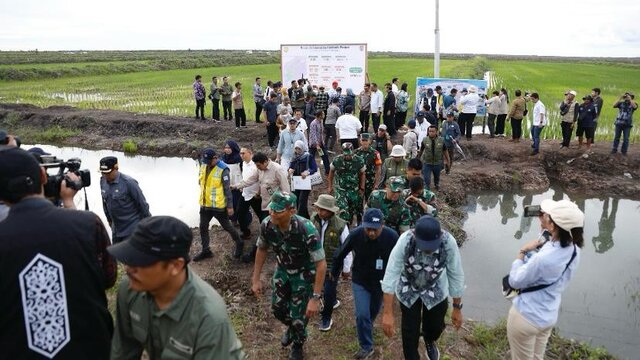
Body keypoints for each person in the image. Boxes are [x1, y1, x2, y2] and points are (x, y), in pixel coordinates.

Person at [0, 147, 117, 359]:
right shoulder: (88, 224)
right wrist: (70, 203)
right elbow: (108, 278)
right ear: (43, 175)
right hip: (91, 349)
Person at [109, 216, 245, 359]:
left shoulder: (208, 318)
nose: (128, 268)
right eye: (130, 258)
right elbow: (123, 351)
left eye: (141, 261)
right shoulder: (131, 288)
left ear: (175, 266)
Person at [251, 191, 327, 360]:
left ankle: (298, 344)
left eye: (277, 211)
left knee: (298, 315)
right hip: (283, 271)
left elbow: (321, 263)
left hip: (304, 275)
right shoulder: (267, 225)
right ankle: (293, 328)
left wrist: (315, 297)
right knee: (277, 309)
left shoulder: (306, 229)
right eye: (271, 209)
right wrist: (255, 279)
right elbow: (262, 249)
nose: (272, 213)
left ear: (292, 211)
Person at [506, 199, 584, 360]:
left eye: (548, 217)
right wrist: (545, 226)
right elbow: (550, 244)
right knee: (537, 357)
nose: (544, 217)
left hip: (526, 317)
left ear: (553, 225)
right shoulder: (575, 251)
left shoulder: (541, 259)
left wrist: (522, 252)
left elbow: (515, 281)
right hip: (548, 316)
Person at [381, 215, 465, 360]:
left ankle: (429, 339)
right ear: (415, 237)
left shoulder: (448, 243)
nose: (429, 250)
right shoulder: (405, 241)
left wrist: (457, 308)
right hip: (409, 288)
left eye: (432, 246)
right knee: (409, 332)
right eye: (425, 247)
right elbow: (390, 274)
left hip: (436, 288)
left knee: (435, 326)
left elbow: (455, 273)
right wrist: (388, 312)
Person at [332, 208, 399, 359]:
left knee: (372, 312)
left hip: (381, 283)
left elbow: (400, 260)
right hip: (360, 280)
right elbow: (341, 253)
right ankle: (367, 346)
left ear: (382, 225)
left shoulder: (392, 237)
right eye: (368, 229)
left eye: (375, 229)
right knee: (362, 314)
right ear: (363, 225)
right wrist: (334, 272)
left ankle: (366, 326)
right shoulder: (355, 234)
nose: (372, 233)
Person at [233, 151, 290, 263]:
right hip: (264, 204)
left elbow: (286, 190)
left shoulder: (277, 169)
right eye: (256, 166)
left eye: (259, 165)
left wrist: (283, 207)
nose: (257, 168)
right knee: (271, 229)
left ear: (265, 162)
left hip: (275, 206)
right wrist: (235, 186)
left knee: (265, 229)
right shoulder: (259, 169)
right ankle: (280, 246)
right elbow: (250, 180)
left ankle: (254, 254)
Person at [310, 195, 351, 332]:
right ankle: (333, 301)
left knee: (328, 290)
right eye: (319, 208)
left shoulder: (341, 225)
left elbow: (347, 248)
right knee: (317, 286)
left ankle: (326, 317)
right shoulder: (313, 220)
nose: (320, 212)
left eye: (324, 210)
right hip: (315, 261)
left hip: (332, 265)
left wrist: (346, 268)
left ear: (331, 211)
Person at [196, 148, 243, 261]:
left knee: (227, 226)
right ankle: (206, 250)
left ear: (215, 158)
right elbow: (201, 181)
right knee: (203, 227)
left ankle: (239, 243)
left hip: (218, 206)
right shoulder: (203, 164)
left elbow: (227, 190)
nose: (207, 163)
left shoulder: (223, 169)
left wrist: (230, 206)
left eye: (209, 161)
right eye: (205, 161)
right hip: (205, 204)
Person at [100, 156, 151, 244]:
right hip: (116, 230)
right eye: (102, 173)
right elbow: (105, 202)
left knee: (131, 256)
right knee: (115, 256)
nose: (105, 175)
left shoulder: (129, 183)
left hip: (131, 229)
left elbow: (143, 205)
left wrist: (149, 226)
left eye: (108, 173)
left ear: (116, 168)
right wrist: (109, 219)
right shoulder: (103, 181)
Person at [327, 142, 366, 225]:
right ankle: (344, 230)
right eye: (345, 155)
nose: (347, 157)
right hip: (341, 190)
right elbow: (331, 173)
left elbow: (362, 174)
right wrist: (330, 186)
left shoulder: (359, 160)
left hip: (353, 190)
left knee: (352, 212)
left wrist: (362, 188)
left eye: (349, 155)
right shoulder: (337, 160)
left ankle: (349, 226)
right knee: (343, 211)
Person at [288, 140, 318, 219]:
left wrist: (307, 172)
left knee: (302, 201)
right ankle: (306, 219)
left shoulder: (308, 156)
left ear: (302, 148)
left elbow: (314, 168)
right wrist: (290, 170)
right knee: (297, 202)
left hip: (305, 182)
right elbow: (290, 166)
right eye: (296, 149)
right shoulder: (294, 156)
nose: (297, 151)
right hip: (296, 182)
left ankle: (299, 220)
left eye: (299, 149)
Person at [237, 146, 261, 241]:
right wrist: (242, 187)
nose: (241, 155)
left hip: (255, 195)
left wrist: (259, 192)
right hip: (245, 193)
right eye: (240, 153)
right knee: (240, 213)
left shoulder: (256, 165)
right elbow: (244, 177)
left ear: (250, 153)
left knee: (261, 215)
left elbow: (261, 180)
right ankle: (246, 232)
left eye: (243, 153)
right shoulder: (243, 164)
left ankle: (265, 233)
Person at [419, 125, 448, 190]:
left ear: (436, 132)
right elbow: (421, 150)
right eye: (429, 131)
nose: (431, 133)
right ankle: (427, 191)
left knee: (437, 177)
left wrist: (447, 160)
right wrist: (418, 159)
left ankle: (436, 185)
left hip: (437, 163)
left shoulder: (441, 140)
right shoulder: (425, 140)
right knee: (427, 180)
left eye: (433, 131)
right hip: (427, 163)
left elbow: (445, 151)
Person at [355, 133, 382, 203]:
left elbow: (378, 168)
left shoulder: (375, 153)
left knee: (370, 201)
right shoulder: (356, 153)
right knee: (358, 201)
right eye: (363, 140)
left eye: (366, 140)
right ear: (360, 141)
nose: (364, 142)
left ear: (370, 141)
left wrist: (376, 183)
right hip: (359, 180)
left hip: (371, 180)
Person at [221, 140, 243, 224]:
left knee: (237, 203)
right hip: (227, 185)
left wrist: (242, 185)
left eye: (229, 148)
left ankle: (242, 220)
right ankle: (233, 220)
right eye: (225, 148)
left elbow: (243, 172)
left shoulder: (239, 159)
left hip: (238, 185)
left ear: (233, 148)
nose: (227, 149)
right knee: (228, 204)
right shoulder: (223, 159)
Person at [309, 110, 330, 175]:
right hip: (314, 144)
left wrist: (322, 142)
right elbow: (313, 134)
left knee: (324, 156)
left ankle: (328, 171)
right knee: (311, 157)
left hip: (321, 143)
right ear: (320, 115)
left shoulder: (321, 121)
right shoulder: (313, 123)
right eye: (323, 114)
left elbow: (321, 133)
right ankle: (310, 170)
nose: (324, 115)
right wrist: (317, 145)